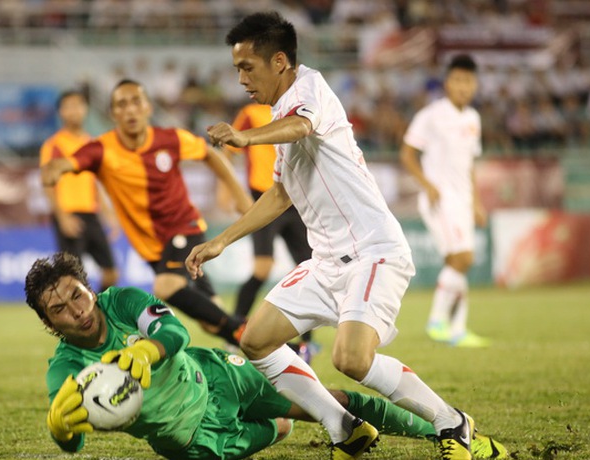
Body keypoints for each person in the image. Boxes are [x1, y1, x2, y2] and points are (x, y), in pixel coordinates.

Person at [186, 12, 506, 460]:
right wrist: (223, 240)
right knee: (255, 339)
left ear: (279, 61)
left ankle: (452, 422)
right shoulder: (278, 114)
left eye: (246, 67)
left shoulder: (309, 90)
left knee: (351, 360)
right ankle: (344, 427)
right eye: (236, 68)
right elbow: (280, 194)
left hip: (373, 251)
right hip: (326, 261)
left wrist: (245, 137)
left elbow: (302, 125)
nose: (240, 78)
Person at [25, 252, 506, 459]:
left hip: (219, 375)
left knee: (329, 400)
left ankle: (450, 429)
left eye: (76, 295)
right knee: (281, 426)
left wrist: (148, 350)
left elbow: (172, 330)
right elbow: (72, 433)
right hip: (197, 438)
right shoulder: (67, 369)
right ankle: (289, 429)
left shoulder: (121, 301)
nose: (76, 311)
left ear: (88, 289)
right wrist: (62, 431)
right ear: (51, 325)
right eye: (60, 310)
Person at [41, 80, 253, 346]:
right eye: (121, 104)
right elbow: (69, 163)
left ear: (147, 107)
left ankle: (250, 335)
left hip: (184, 228)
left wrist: (239, 194)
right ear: (113, 114)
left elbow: (209, 154)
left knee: (166, 287)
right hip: (153, 247)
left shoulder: (170, 138)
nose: (130, 110)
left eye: (135, 102)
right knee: (213, 320)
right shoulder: (101, 149)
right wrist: (54, 170)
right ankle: (280, 350)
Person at [399, 54, 491, 348]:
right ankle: (437, 321)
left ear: (475, 85)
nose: (464, 87)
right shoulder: (432, 115)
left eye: (469, 81)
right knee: (463, 259)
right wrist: (427, 185)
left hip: (463, 200)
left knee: (456, 262)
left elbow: (470, 165)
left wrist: (476, 202)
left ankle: (458, 329)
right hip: (441, 198)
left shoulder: (473, 118)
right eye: (458, 80)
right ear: (448, 82)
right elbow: (407, 154)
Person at [225, 103, 315, 361]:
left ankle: (307, 340)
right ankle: (234, 330)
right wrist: (230, 190)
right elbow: (228, 150)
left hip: (294, 196)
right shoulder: (250, 113)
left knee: (309, 266)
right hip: (264, 195)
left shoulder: (295, 108)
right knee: (262, 268)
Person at [40, 90, 119, 291]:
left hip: (91, 214)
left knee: (112, 273)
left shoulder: (92, 143)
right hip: (69, 213)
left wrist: (109, 214)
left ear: (85, 110)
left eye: (78, 105)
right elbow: (47, 183)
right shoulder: (53, 145)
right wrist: (62, 216)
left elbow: (95, 181)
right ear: (61, 112)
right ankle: (81, 318)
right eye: (68, 106)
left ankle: (99, 312)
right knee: (74, 277)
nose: (74, 111)